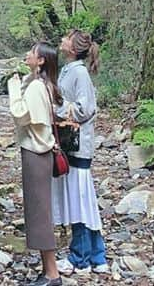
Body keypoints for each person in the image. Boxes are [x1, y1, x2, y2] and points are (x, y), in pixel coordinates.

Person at [8, 43, 64, 286]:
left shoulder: (36, 88)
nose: (27, 54)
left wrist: (12, 87)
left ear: (40, 60)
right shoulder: (40, 84)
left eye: (32, 52)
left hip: (36, 153)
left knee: (40, 213)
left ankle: (52, 274)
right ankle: (47, 271)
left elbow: (21, 115)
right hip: (40, 153)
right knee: (39, 211)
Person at [53, 29, 108, 275]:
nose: (62, 39)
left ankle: (80, 258)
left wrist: (58, 104)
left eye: (66, 38)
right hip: (72, 145)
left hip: (78, 145)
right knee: (82, 199)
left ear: (73, 48)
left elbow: (86, 109)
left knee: (78, 198)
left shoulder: (80, 73)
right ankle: (97, 256)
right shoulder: (71, 69)